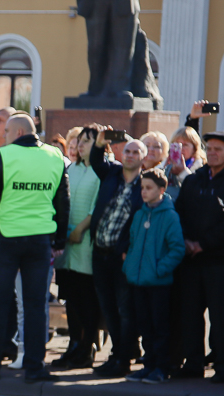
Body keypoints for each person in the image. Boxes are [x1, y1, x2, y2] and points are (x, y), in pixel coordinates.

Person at [0, 114, 70, 383]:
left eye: (6, 132)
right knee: (36, 305)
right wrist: (59, 241)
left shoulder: (6, 155)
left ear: (19, 132)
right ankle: (35, 367)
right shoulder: (55, 156)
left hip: (8, 238)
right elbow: (63, 201)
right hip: (40, 240)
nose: (4, 137)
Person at [173, 131, 224, 383]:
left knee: (223, 319)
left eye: (218, 149)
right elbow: (179, 213)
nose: (212, 153)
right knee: (190, 315)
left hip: (221, 262)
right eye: (209, 148)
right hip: (191, 260)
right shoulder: (193, 180)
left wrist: (203, 244)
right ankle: (193, 363)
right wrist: (186, 241)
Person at [87, 128, 147, 377]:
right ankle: (116, 355)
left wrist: (127, 251)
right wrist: (100, 143)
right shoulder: (111, 173)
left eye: (136, 152)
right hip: (100, 253)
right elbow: (96, 161)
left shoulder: (145, 184)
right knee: (109, 308)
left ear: (143, 158)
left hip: (122, 257)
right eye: (128, 151)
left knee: (125, 310)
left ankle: (124, 359)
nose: (130, 155)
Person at [122, 169, 186, 383]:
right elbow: (133, 243)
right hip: (139, 280)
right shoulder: (140, 214)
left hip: (158, 283)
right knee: (144, 325)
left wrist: (159, 269)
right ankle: (148, 364)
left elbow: (177, 249)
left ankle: (161, 367)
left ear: (162, 189)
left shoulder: (169, 216)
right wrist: (130, 266)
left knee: (160, 326)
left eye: (149, 188)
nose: (144, 192)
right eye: (142, 188)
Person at [53, 126, 102, 369]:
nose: (80, 145)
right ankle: (73, 345)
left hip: (85, 245)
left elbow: (97, 206)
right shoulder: (71, 169)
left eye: (87, 141)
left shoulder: (101, 171)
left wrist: (80, 229)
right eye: (79, 141)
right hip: (67, 247)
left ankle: (87, 347)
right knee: (70, 299)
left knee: (86, 299)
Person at [166, 126, 205, 201]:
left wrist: (182, 172)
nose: (181, 148)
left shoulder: (200, 168)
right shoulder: (166, 162)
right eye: (177, 145)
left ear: (194, 148)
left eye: (185, 145)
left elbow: (197, 188)